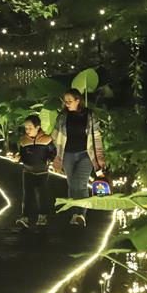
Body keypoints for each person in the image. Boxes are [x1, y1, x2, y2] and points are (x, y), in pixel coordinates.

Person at [51, 88, 106, 227]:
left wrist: (99, 157)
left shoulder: (89, 115)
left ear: (78, 101)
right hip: (67, 154)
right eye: (65, 101)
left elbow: (96, 137)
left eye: (70, 101)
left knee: (80, 184)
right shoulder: (62, 116)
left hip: (86, 154)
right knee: (71, 184)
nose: (67, 103)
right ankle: (74, 213)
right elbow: (54, 135)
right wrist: (54, 155)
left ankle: (81, 214)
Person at [7, 115, 55, 229]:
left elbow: (53, 152)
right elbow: (22, 155)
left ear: (37, 127)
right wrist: (17, 159)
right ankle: (25, 217)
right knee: (27, 195)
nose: (27, 130)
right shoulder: (24, 141)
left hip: (42, 172)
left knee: (41, 195)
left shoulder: (47, 139)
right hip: (27, 171)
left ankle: (42, 215)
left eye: (30, 127)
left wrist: (50, 161)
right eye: (26, 128)